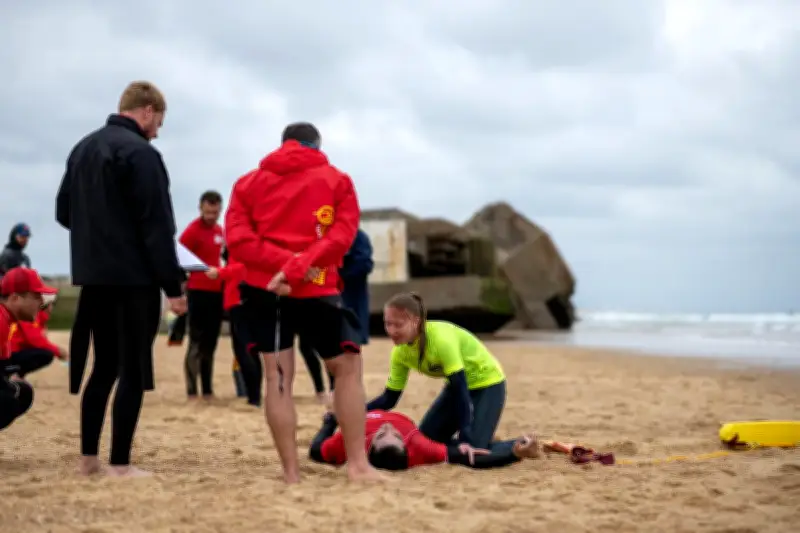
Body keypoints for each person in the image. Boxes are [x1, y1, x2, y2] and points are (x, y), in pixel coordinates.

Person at [225, 121, 382, 483]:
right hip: (317, 286)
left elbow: (238, 241)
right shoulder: (337, 180)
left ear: (283, 144)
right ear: (317, 144)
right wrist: (300, 267)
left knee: (277, 378)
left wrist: (284, 268)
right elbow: (343, 236)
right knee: (347, 368)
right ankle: (358, 465)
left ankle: (291, 473)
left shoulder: (247, 183)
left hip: (263, 287)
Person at [55, 80, 187, 478]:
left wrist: (99, 231)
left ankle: (88, 461)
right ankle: (121, 465)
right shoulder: (142, 154)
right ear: (147, 111)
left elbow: (64, 212)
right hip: (134, 281)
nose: (159, 130)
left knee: (103, 367)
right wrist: (174, 287)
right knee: (132, 370)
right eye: (159, 120)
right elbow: (157, 227)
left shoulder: (82, 148)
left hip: (94, 279)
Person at [367, 292, 507, 450]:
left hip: (487, 383)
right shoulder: (400, 352)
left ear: (415, 322)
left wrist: (465, 434)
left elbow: (460, 389)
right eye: (387, 324)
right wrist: (353, 413)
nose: (391, 331)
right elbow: (389, 399)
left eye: (398, 325)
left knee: (473, 448)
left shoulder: (441, 340)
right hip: (456, 388)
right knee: (425, 441)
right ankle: (485, 438)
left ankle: (518, 445)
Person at [309, 410, 540, 470]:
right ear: (405, 445)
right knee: (470, 446)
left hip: (359, 411)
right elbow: (468, 458)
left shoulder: (350, 442)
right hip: (432, 434)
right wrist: (514, 454)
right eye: (394, 435)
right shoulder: (418, 448)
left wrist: (329, 422)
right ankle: (521, 444)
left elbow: (316, 451)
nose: (387, 427)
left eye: (382, 435)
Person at [179, 190, 225, 400]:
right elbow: (178, 257)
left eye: (215, 213)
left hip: (216, 292)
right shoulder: (192, 231)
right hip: (197, 291)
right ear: (201, 208)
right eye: (208, 212)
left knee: (211, 342)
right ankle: (191, 389)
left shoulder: (220, 231)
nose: (211, 217)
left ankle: (207, 389)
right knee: (196, 342)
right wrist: (180, 289)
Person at [0, 267, 57, 431]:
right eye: (36, 296)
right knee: (8, 400)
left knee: (22, 393)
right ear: (15, 298)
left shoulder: (7, 319)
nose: (41, 302)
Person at [217, 247, 262, 407]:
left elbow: (241, 268)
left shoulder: (241, 246)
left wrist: (220, 272)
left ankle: (253, 397)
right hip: (240, 301)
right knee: (247, 351)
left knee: (244, 351)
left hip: (240, 301)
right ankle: (253, 395)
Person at [4, 300, 68, 378]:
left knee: (39, 352)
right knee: (46, 354)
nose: (52, 307)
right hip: (8, 354)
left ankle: (16, 375)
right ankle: (13, 375)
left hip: (11, 352)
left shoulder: (39, 318)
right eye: (51, 304)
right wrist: (58, 351)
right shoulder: (30, 316)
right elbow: (35, 340)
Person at [339, 228, 374, 345]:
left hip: (352, 290)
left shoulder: (358, 236)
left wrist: (341, 272)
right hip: (339, 290)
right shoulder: (333, 234)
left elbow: (364, 263)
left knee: (352, 337)